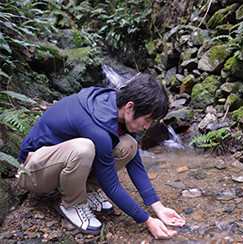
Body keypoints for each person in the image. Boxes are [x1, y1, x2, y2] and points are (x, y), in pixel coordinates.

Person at [17, 73, 185, 239]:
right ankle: (71, 204)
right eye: (147, 119)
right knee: (84, 148)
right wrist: (147, 220)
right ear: (130, 107)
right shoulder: (97, 126)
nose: (148, 126)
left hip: (56, 163)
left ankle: (86, 192)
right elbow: (111, 186)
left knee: (129, 145)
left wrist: (158, 207)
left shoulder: (115, 106)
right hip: (32, 171)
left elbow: (135, 163)